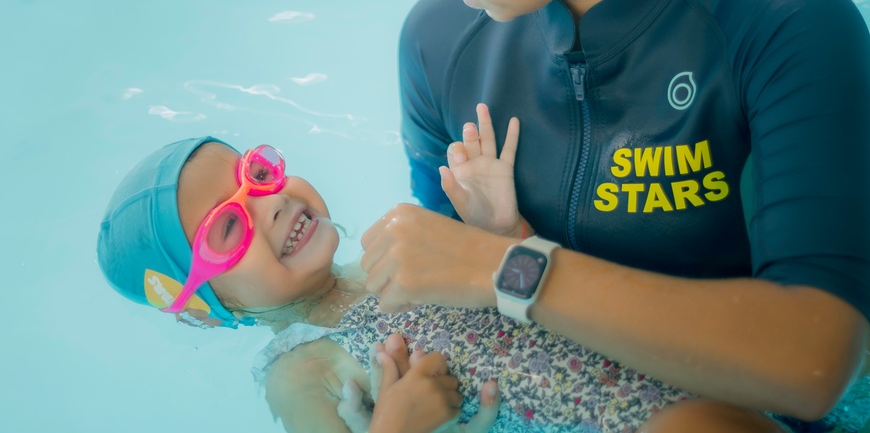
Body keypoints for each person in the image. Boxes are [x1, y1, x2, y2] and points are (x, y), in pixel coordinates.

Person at [360, 0, 870, 431]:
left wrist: (507, 268)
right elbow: (437, 274)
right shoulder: (437, 43)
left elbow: (813, 363)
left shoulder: (782, 19)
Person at [97, 133, 704, 433]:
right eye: (228, 227)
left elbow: (547, 298)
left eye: (255, 175)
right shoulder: (299, 374)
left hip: (679, 381)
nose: (272, 202)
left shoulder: (392, 253)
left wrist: (502, 237)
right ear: (203, 308)